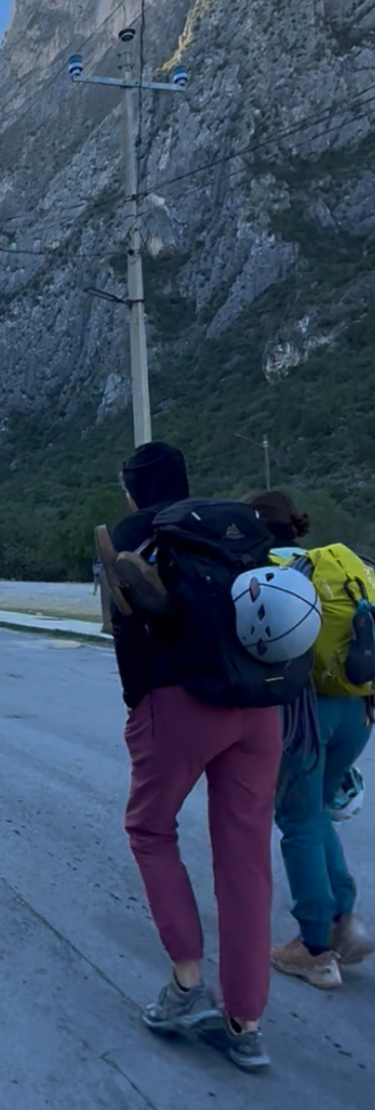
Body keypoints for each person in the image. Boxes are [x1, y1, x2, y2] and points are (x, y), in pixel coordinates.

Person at [106, 442, 279, 1073]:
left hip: (179, 701)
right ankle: (246, 1022)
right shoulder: (233, 525)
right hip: (261, 705)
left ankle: (186, 985)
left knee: (150, 829)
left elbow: (126, 628)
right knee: (245, 858)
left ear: (133, 489)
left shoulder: (132, 532)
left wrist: (138, 706)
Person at [247, 490, 375, 988]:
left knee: (297, 821)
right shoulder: (327, 565)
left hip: (305, 714)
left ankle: (315, 949)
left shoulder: (265, 571)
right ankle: (346, 926)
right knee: (318, 815)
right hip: (356, 711)